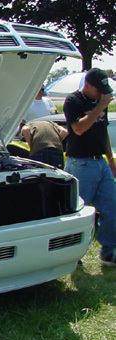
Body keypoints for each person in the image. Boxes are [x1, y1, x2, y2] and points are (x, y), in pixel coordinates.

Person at [63, 67, 116, 267]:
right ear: (87, 85)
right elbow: (78, 128)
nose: (103, 93)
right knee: (79, 211)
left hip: (100, 162)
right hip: (81, 163)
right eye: (99, 89)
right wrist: (100, 107)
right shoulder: (73, 101)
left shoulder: (99, 103)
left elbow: (103, 133)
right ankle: (73, 255)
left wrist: (110, 160)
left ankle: (109, 252)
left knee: (112, 207)